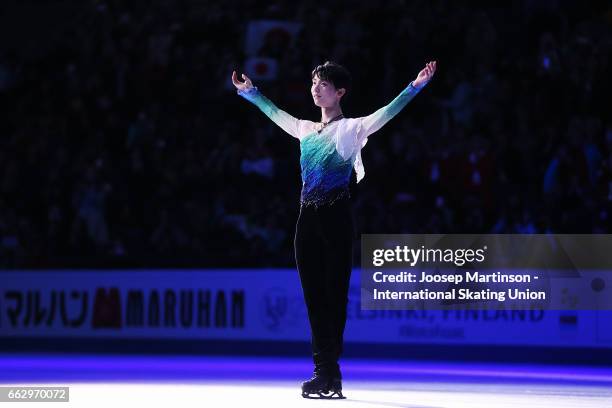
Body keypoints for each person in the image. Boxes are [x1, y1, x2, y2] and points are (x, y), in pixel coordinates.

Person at [232, 60, 436, 399]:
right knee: (314, 299)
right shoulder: (304, 129)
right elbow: (274, 112)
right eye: (313, 82)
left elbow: (388, 111)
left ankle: (330, 371)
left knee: (334, 297)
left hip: (336, 218)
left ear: (339, 92)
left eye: (323, 84)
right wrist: (250, 92)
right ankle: (323, 372)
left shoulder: (353, 128)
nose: (315, 88)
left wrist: (415, 86)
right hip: (306, 221)